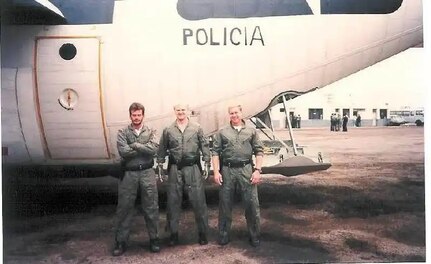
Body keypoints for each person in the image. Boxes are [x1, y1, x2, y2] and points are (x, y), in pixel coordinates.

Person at [157, 104, 211, 246]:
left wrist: (206, 163)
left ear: (188, 111)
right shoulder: (168, 130)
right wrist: (160, 167)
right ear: (174, 111)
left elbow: (204, 146)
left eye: (183, 110)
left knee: (199, 201)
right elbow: (162, 148)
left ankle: (203, 233)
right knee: (173, 202)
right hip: (175, 168)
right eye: (178, 110)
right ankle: (173, 234)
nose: (181, 112)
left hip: (192, 167)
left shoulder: (197, 128)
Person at [212, 103, 264, 247]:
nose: (234, 116)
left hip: (246, 169)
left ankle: (255, 236)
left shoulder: (251, 131)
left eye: (236, 113)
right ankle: (223, 235)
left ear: (242, 113)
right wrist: (216, 172)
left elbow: (259, 151)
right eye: (231, 113)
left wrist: (257, 170)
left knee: (252, 204)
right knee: (225, 204)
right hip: (227, 170)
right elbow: (215, 152)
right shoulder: (222, 132)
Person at [113, 102, 160, 256]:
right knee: (125, 208)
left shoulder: (151, 130)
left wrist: (134, 145)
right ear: (130, 116)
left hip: (147, 172)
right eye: (134, 115)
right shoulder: (122, 131)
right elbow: (123, 152)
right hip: (129, 174)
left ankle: (154, 239)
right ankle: (120, 242)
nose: (136, 118)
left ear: (143, 115)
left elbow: (153, 149)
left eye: (139, 115)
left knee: (151, 207)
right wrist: (143, 147)